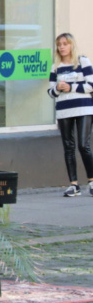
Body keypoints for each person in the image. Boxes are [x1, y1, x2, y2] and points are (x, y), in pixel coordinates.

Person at [47, 33, 93, 197]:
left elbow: (91, 85)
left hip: (84, 109)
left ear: (72, 45)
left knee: (83, 145)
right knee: (68, 147)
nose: (62, 47)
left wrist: (71, 87)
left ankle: (91, 180)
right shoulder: (55, 66)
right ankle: (73, 185)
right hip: (64, 110)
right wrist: (59, 88)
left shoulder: (82, 61)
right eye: (59, 44)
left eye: (65, 43)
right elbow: (51, 92)